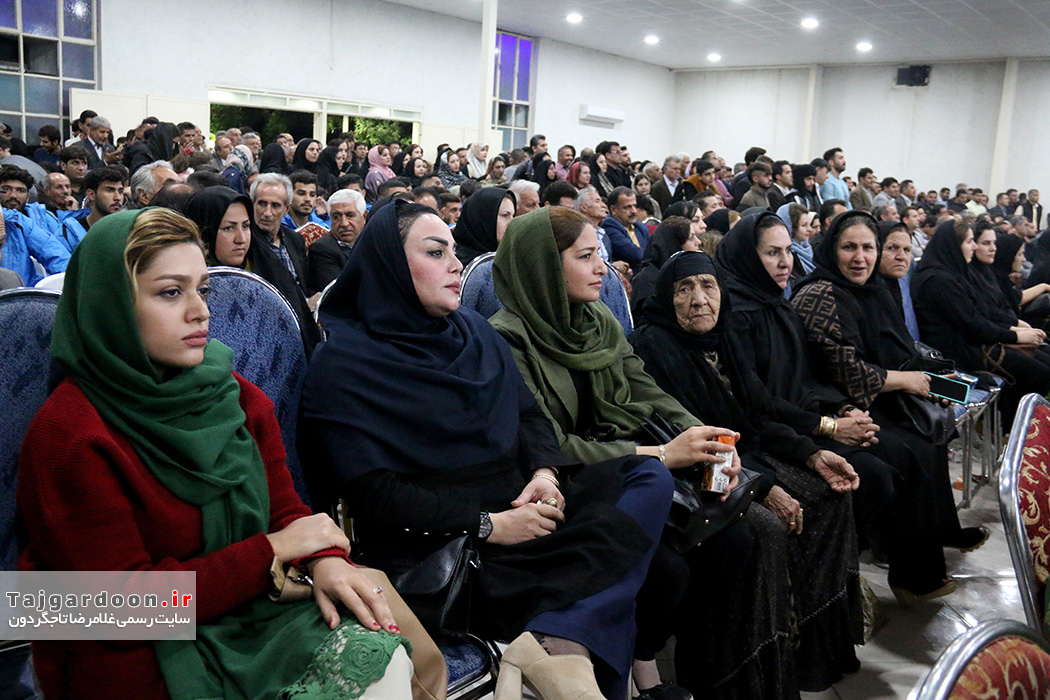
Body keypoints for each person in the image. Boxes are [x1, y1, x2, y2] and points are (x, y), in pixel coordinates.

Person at [17, 207, 445, 700]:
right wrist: (273, 550)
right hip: (133, 643)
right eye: (170, 292)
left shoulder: (231, 394)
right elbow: (116, 609)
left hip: (248, 608)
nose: (200, 311)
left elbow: (284, 511)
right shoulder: (69, 435)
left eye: (202, 290)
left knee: (379, 655)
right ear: (110, 304)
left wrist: (325, 560)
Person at [301, 200, 672, 700]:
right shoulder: (344, 365)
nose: (456, 265)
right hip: (451, 545)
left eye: (454, 250)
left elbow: (529, 416)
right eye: (436, 252)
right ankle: (567, 652)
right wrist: (490, 525)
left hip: (521, 506)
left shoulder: (472, 331)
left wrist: (544, 474)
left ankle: (562, 639)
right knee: (638, 566)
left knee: (648, 477)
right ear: (389, 264)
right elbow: (376, 497)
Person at [490, 207, 830, 700]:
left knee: (735, 542)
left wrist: (709, 438)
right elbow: (549, 444)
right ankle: (635, 667)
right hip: (567, 483)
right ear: (543, 267)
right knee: (669, 568)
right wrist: (662, 453)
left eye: (599, 254)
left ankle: (709, 675)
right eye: (585, 257)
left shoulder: (596, 320)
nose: (602, 268)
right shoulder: (506, 339)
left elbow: (645, 388)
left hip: (630, 466)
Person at [629, 250, 864, 690]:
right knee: (765, 531)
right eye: (684, 289)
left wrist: (812, 453)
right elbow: (694, 437)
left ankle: (808, 653)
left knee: (829, 496)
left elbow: (757, 414)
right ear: (666, 296)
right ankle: (742, 677)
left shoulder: (725, 337)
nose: (699, 299)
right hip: (698, 473)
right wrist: (763, 488)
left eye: (708, 286)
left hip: (745, 458)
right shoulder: (654, 347)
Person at [790, 210, 988, 602]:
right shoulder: (819, 294)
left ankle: (936, 538)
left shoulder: (875, 289)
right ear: (831, 249)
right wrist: (909, 381)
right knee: (908, 448)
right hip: (834, 402)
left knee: (932, 433)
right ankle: (911, 574)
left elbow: (898, 348)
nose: (860, 257)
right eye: (849, 247)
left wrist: (930, 377)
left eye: (868, 248)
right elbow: (846, 371)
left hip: (873, 395)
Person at [912, 219, 1050, 425]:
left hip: (973, 343)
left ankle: (1009, 426)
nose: (975, 247)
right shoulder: (938, 280)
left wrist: (1014, 330)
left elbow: (984, 314)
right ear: (954, 245)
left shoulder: (953, 273)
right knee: (1041, 373)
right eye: (970, 241)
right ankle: (1010, 430)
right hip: (958, 352)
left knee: (1042, 358)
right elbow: (973, 324)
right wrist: (1015, 336)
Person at [186, 185, 322, 355]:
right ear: (203, 231)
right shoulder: (183, 282)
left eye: (246, 226)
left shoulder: (266, 267)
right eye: (228, 228)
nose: (241, 239)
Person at [628, 216, 701, 315]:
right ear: (674, 244)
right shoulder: (647, 281)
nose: (698, 242)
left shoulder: (691, 272)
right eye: (691, 238)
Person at [308, 188, 367, 292]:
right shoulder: (322, 249)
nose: (344, 223)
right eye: (336, 217)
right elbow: (338, 292)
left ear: (364, 216)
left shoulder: (375, 241)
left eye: (350, 215)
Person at [451, 186, 515, 267]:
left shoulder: (510, 257)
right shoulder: (455, 265)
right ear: (483, 218)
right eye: (505, 215)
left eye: (513, 216)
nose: (512, 223)